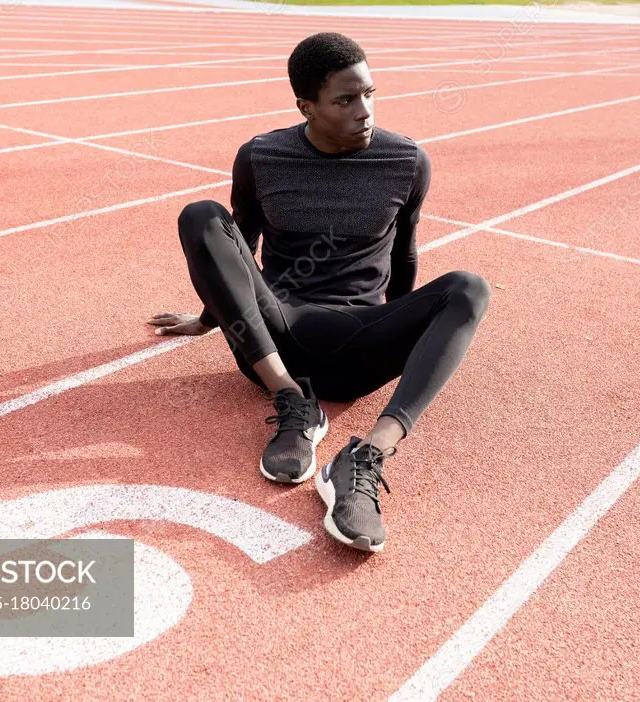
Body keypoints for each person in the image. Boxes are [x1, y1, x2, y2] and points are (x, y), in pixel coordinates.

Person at [148, 32, 490, 553]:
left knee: (469, 288)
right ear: (306, 106)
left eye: (370, 94)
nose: (365, 111)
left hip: (359, 343)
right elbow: (236, 245)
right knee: (201, 215)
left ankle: (366, 455)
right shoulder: (262, 157)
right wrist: (208, 319)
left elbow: (406, 256)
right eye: (346, 100)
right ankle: (292, 399)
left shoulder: (406, 161)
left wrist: (400, 325)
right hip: (275, 339)